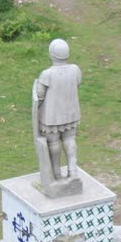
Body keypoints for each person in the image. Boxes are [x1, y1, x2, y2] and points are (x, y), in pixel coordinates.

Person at [34, 39, 81, 181]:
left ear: (51, 54)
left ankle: (56, 173)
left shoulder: (47, 74)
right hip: (70, 112)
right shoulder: (75, 69)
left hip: (51, 116)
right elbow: (77, 83)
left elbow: (39, 95)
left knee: (53, 143)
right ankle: (73, 171)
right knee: (70, 139)